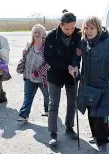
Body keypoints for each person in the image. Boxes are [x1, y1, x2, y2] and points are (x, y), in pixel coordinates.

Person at [69, 16, 109, 154]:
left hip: (103, 86)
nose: (89, 31)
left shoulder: (108, 42)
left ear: (98, 28)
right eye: (86, 28)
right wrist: (75, 66)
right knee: (91, 112)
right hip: (87, 84)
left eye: (92, 28)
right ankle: (95, 136)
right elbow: (76, 57)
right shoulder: (83, 42)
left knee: (101, 115)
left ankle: (103, 143)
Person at [44, 10, 82, 145]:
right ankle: (53, 133)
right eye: (67, 29)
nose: (70, 31)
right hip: (55, 73)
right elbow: (48, 57)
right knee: (53, 104)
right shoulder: (51, 36)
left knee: (72, 102)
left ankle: (69, 127)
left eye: (72, 28)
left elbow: (78, 53)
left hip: (72, 73)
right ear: (60, 25)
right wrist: (67, 67)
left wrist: (75, 64)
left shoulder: (78, 34)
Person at [17, 24, 50, 122]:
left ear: (43, 34)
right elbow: (25, 58)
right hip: (28, 76)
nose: (36, 34)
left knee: (47, 95)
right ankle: (23, 115)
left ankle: (48, 110)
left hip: (43, 78)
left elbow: (49, 63)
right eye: (35, 32)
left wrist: (38, 73)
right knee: (28, 95)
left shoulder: (47, 46)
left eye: (39, 32)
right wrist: (23, 54)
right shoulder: (29, 44)